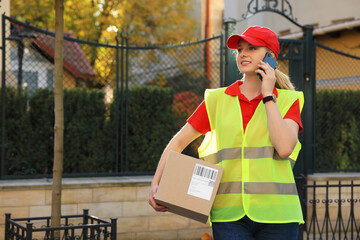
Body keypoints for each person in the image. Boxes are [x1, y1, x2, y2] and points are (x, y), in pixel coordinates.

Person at [148, 26, 304, 240]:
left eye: (252, 48)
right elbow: (177, 143)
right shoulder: (216, 100)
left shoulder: (288, 100)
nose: (243, 54)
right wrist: (156, 184)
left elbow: (285, 148)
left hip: (279, 216)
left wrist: (268, 96)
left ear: (270, 57)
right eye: (240, 49)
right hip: (229, 216)